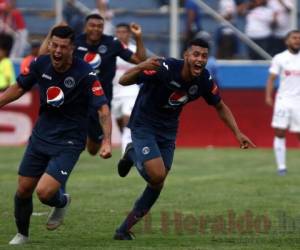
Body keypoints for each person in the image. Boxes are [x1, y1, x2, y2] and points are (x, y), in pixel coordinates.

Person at [113, 38, 255, 240]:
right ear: (186, 56)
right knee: (156, 175)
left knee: (158, 183)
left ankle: (123, 230)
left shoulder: (204, 79)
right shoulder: (165, 68)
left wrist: (237, 132)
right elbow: (123, 80)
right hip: (144, 123)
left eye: (204, 56)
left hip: (168, 130)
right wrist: (143, 65)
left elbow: (220, 106)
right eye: (196, 54)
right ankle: (131, 152)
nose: (200, 59)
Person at [0, 25, 112, 245]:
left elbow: (103, 108)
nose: (58, 51)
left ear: (72, 49)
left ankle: (61, 202)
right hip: (41, 136)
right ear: (49, 44)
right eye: (55, 45)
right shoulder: (40, 63)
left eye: (64, 47)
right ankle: (22, 234)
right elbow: (19, 87)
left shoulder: (85, 72)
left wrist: (106, 141)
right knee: (23, 190)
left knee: (44, 193)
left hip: (69, 141)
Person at [74, 13, 146, 155]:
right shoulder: (75, 43)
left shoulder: (112, 43)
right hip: (78, 97)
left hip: (102, 99)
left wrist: (138, 37)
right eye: (92, 25)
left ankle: (93, 135)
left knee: (93, 149)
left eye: (100, 26)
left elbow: (139, 60)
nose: (96, 29)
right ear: (85, 27)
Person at [265, 29, 300, 176]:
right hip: (283, 100)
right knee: (279, 132)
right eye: (294, 38)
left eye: (299, 38)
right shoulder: (279, 58)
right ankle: (281, 167)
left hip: (299, 101)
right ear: (287, 41)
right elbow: (272, 78)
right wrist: (268, 96)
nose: (297, 40)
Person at [111, 23, 140, 154]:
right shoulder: (111, 50)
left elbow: (142, 61)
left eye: (123, 32)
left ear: (129, 34)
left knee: (128, 122)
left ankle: (126, 156)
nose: (120, 35)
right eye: (118, 32)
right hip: (114, 92)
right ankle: (133, 146)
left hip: (131, 91)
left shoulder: (134, 50)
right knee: (121, 125)